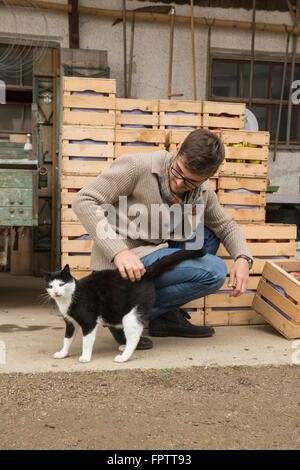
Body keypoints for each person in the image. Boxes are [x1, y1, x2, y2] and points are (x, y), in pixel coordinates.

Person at [72, 129, 253, 350]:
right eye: (178, 172)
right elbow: (84, 200)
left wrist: (243, 258)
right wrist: (118, 251)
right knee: (214, 271)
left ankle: (163, 318)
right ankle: (119, 314)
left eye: (189, 182)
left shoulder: (202, 191)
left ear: (207, 177)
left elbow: (226, 225)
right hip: (124, 260)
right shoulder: (136, 167)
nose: (178, 183)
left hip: (156, 249)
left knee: (207, 233)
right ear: (177, 149)